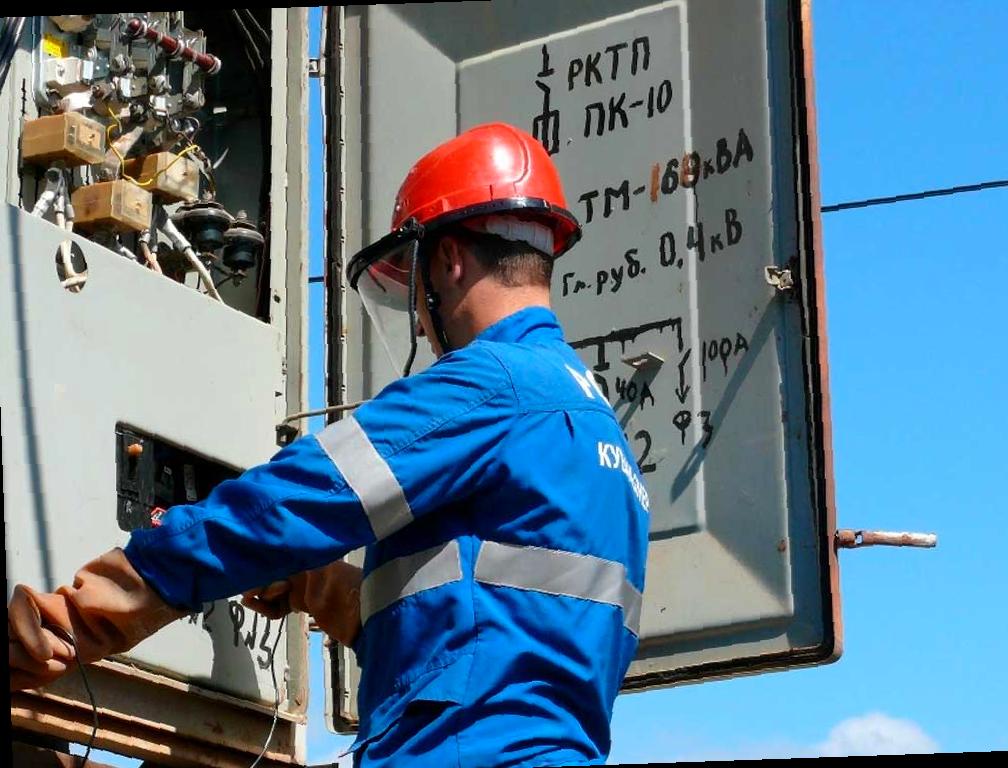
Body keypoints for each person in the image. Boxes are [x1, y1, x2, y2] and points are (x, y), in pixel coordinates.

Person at [8, 122, 650, 767]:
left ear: (449, 259)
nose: (420, 323)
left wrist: (83, 616)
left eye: (414, 285)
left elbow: (291, 502)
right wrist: (316, 584)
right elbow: (481, 635)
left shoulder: (490, 386)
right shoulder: (603, 443)